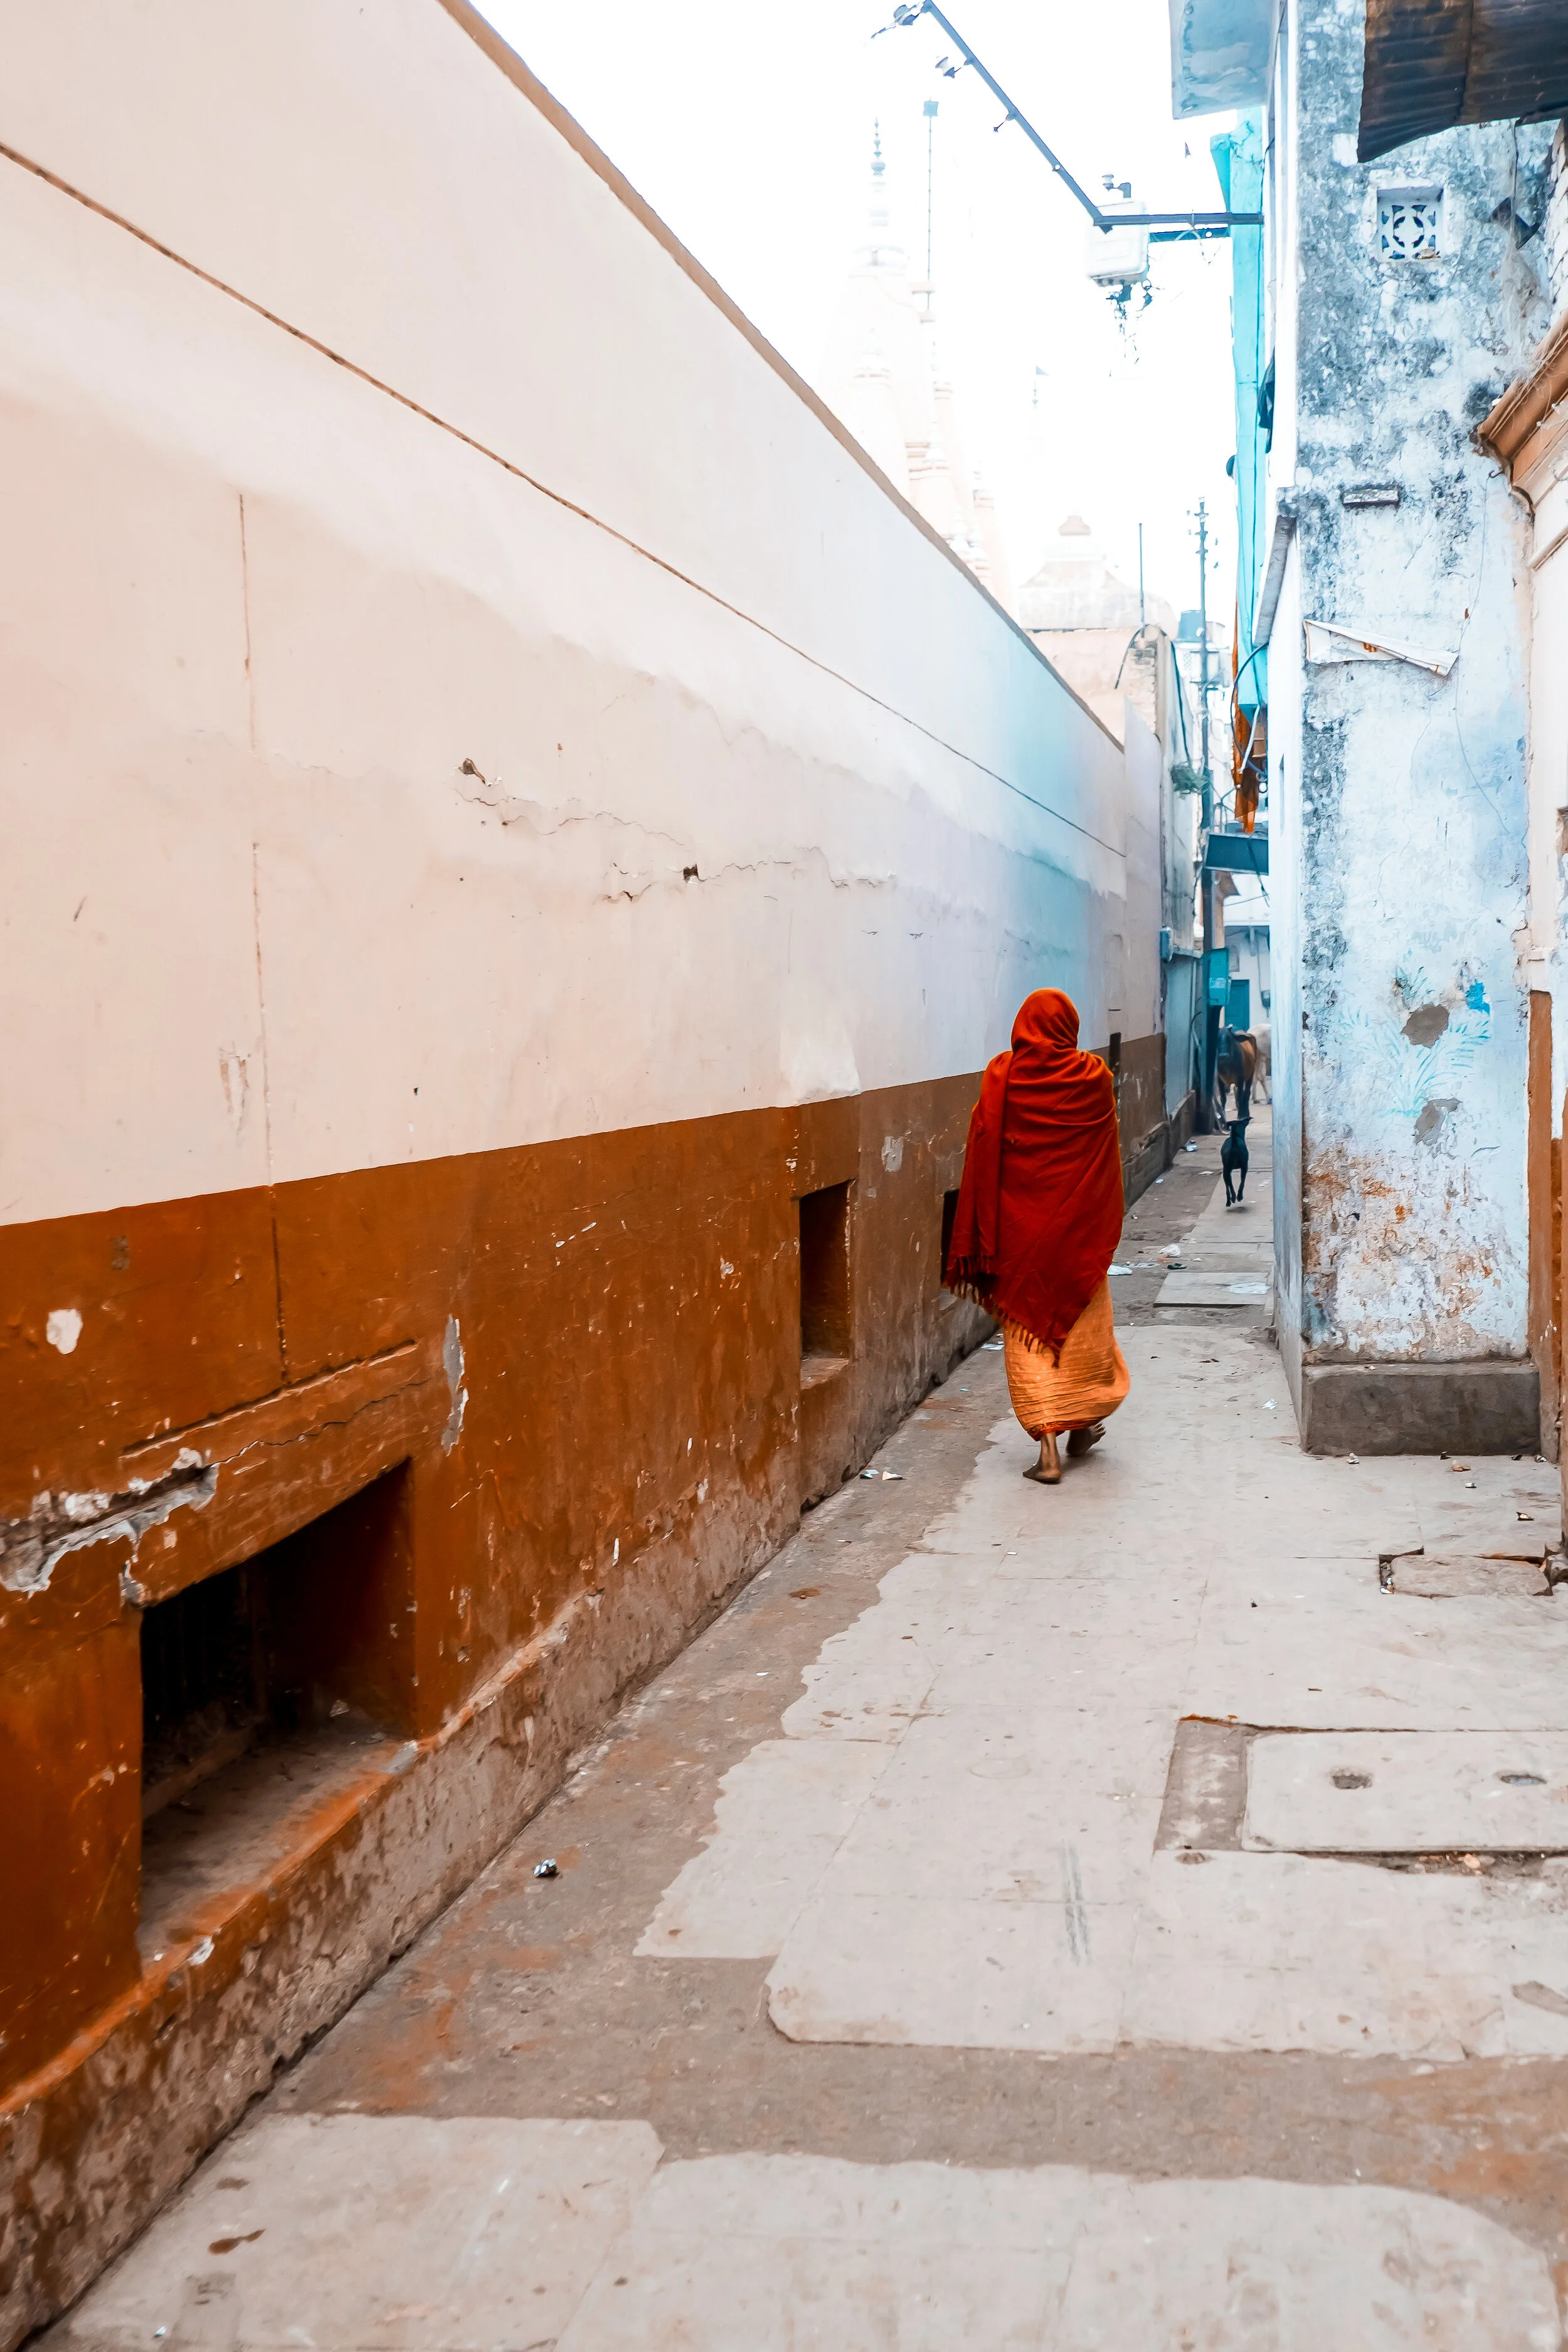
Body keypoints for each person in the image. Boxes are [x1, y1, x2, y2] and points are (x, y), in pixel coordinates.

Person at [943, 988, 1130, 1485]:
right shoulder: (1093, 1078)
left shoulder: (1002, 1077)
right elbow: (1105, 1154)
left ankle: (1051, 1445)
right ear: (1068, 1026)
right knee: (1084, 1334)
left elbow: (983, 1149)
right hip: (1077, 1236)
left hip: (1020, 1235)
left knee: (1030, 1334)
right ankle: (1084, 1419)